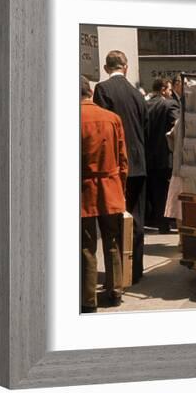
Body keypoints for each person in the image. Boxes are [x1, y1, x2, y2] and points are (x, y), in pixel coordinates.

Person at [93, 50, 149, 284]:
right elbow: (144, 126)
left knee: (115, 219)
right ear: (125, 67)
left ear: (107, 68)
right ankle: (135, 270)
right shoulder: (137, 93)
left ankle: (118, 273)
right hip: (139, 162)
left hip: (117, 163)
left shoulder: (103, 90)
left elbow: (101, 128)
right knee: (136, 217)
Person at [80, 76, 128, 313]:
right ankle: (115, 290)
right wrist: (122, 189)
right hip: (110, 185)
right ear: (90, 92)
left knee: (86, 246)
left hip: (84, 189)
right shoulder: (113, 118)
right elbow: (123, 160)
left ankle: (88, 299)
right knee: (112, 240)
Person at [146, 78, 180, 233]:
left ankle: (161, 223)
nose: (171, 92)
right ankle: (168, 221)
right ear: (163, 89)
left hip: (150, 156)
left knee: (157, 190)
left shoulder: (146, 105)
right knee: (168, 191)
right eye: (169, 89)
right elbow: (176, 125)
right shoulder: (170, 104)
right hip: (166, 155)